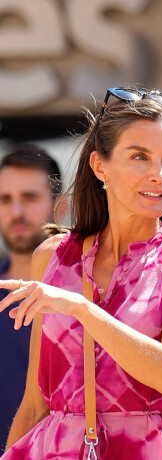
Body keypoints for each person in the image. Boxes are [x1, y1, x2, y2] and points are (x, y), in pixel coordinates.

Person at [0, 87, 162, 459]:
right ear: (100, 166)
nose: (159, 175)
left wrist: (82, 308)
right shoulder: (53, 257)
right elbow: (35, 405)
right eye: (140, 157)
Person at [0, 145, 61, 451]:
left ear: (60, 207)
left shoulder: (88, 296)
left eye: (30, 198)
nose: (17, 212)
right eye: (5, 200)